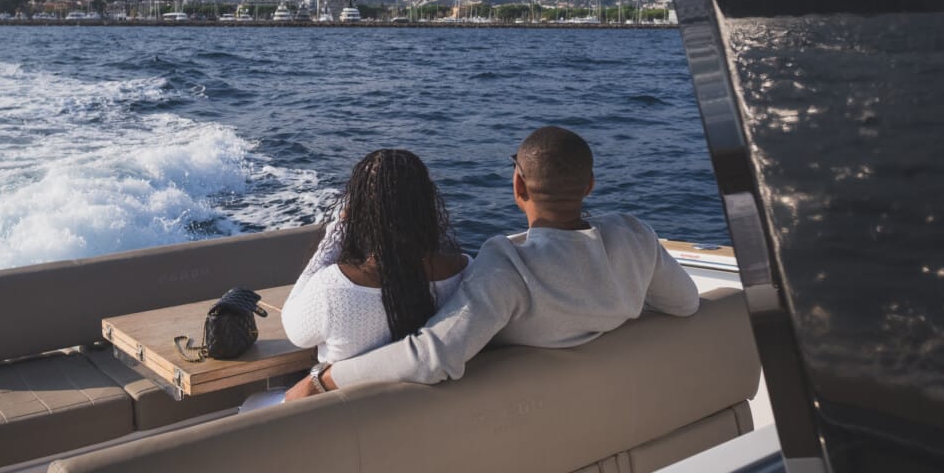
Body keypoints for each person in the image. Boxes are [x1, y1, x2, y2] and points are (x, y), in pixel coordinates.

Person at [285, 126, 699, 400]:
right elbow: (685, 302)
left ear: (518, 185)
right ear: (590, 185)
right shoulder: (635, 235)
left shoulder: (508, 267)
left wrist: (324, 379)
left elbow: (431, 357)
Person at [281, 148, 470, 364]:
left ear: (359, 211)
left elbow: (292, 326)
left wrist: (337, 232)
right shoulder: (466, 273)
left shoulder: (331, 290)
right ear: (427, 205)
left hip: (344, 387)